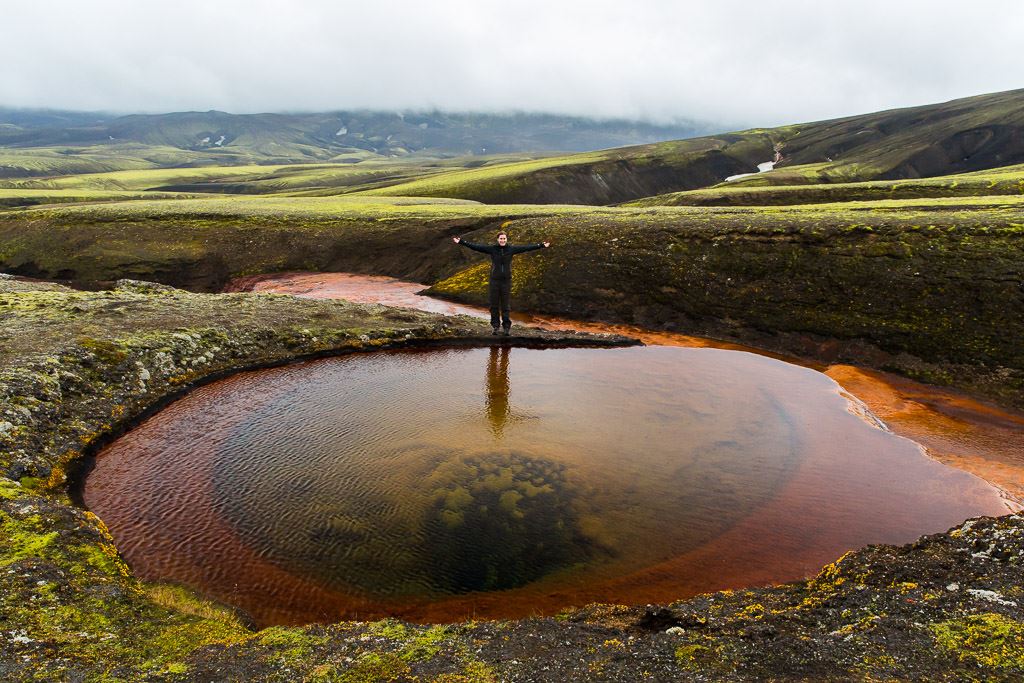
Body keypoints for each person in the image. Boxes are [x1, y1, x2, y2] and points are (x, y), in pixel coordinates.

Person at [453, 229, 550, 335]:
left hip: (506, 281)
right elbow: (477, 247)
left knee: (505, 305)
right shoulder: (492, 249)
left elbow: (526, 248)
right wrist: (462, 242)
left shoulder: (511, 249)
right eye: (501, 239)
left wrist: (541, 245)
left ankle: (506, 327)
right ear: (497, 239)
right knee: (494, 305)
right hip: (494, 281)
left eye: (504, 239)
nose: (502, 240)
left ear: (506, 239)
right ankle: (495, 326)